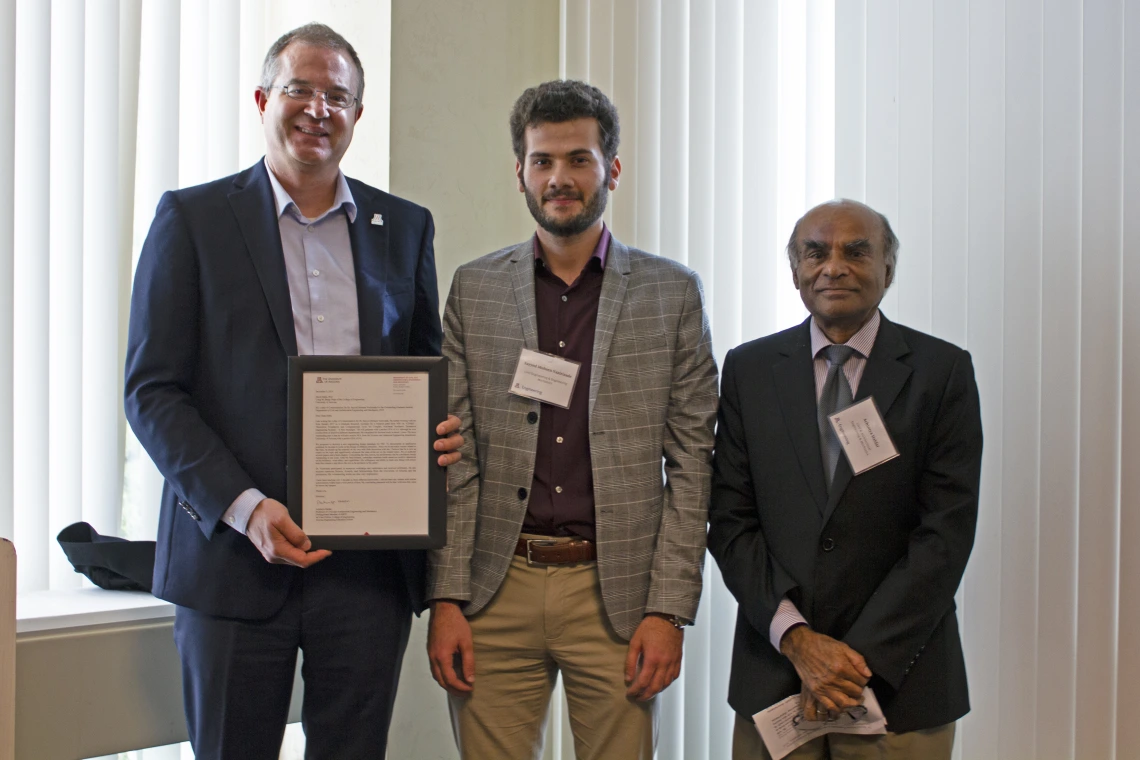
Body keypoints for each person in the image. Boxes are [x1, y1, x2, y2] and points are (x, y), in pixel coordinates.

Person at [124, 23, 461, 759]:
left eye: (337, 95)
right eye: (299, 89)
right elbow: (151, 391)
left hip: (369, 573)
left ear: (357, 116)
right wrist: (242, 508)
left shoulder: (403, 228)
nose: (318, 109)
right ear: (261, 99)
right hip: (233, 562)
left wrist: (437, 429)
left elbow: (422, 371)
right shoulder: (193, 220)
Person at [425, 80, 718, 760]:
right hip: (496, 587)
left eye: (579, 160)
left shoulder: (672, 293)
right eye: (542, 161)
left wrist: (667, 608)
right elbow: (456, 459)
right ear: (520, 173)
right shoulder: (475, 288)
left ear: (611, 168)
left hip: (616, 593)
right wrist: (447, 598)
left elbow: (693, 464)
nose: (560, 178)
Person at [708, 199, 982, 759]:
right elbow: (731, 520)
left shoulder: (942, 372)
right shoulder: (748, 370)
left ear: (888, 269)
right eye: (816, 252)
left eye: (857, 251)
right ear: (795, 272)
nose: (834, 266)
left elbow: (946, 534)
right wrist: (799, 641)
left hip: (900, 684)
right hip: (777, 677)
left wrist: (849, 662)